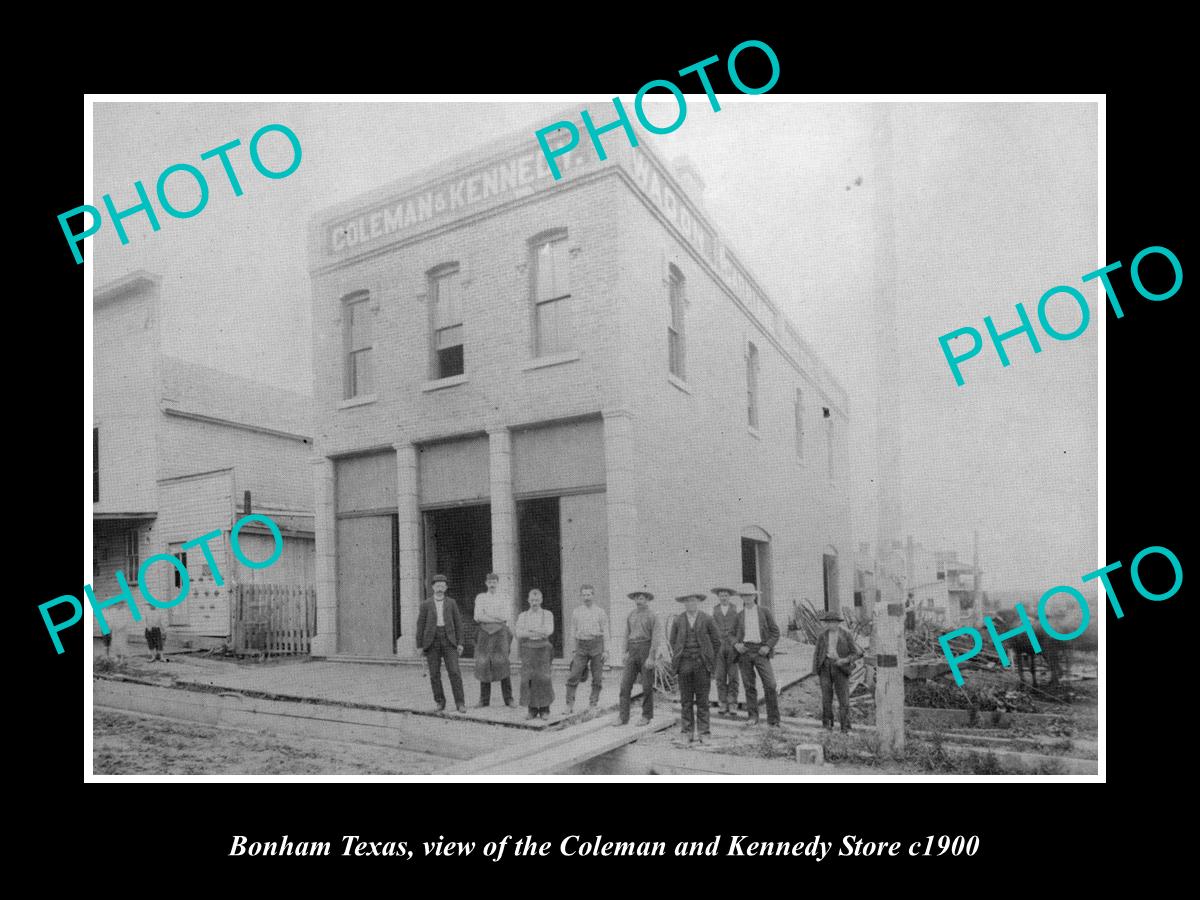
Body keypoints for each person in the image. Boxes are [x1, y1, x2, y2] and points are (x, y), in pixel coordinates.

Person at [669, 593, 723, 744]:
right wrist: (681, 655)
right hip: (684, 664)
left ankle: (704, 733)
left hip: (701, 664)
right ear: (684, 603)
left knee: (702, 700)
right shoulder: (678, 620)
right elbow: (673, 641)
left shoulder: (707, 619)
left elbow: (717, 641)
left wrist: (709, 658)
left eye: (693, 600)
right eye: (687, 601)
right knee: (685, 700)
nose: (690, 603)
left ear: (698, 602)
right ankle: (687, 732)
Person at [415, 574, 466, 713]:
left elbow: (458, 624)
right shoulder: (425, 604)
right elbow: (420, 626)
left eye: (442, 586)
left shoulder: (452, 603)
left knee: (455, 672)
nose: (440, 588)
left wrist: (460, 643)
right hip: (432, 642)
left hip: (449, 640)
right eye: (437, 586)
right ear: (432, 587)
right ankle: (440, 702)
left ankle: (460, 703)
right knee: (434, 674)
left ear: (446, 588)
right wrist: (419, 646)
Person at [733, 582, 781, 727]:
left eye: (750, 595)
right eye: (744, 596)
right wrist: (736, 644)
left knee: (770, 684)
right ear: (742, 597)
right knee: (749, 685)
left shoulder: (764, 612)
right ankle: (753, 716)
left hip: (761, 651)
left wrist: (767, 646)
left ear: (755, 596)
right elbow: (730, 634)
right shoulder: (739, 615)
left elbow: (775, 632)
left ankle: (773, 720)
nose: (748, 598)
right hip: (745, 652)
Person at [613, 588, 662, 727]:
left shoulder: (652, 615)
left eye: (641, 598)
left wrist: (651, 657)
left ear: (647, 600)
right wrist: (624, 652)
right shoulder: (631, 615)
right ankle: (623, 717)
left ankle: (646, 716)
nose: (638, 601)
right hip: (632, 651)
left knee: (646, 686)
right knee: (625, 685)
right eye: (636, 598)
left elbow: (656, 638)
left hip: (646, 649)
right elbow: (626, 635)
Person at [813, 609, 865, 732]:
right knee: (826, 697)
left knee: (843, 699)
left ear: (838, 622)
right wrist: (816, 670)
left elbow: (855, 653)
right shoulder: (822, 635)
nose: (832, 625)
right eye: (829, 622)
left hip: (840, 668)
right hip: (825, 667)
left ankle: (845, 727)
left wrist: (844, 660)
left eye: (834, 622)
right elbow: (817, 653)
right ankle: (827, 725)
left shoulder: (846, 634)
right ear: (826, 623)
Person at [564, 584, 611, 714]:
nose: (586, 597)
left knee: (597, 677)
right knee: (573, 675)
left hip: (596, 645)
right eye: (584, 595)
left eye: (589, 594)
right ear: (581, 596)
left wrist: (606, 650)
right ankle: (569, 705)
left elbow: (606, 631)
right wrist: (573, 649)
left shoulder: (600, 612)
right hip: (581, 646)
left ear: (593, 595)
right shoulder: (577, 611)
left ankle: (593, 704)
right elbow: (573, 631)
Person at [473, 573, 515, 708]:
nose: (492, 584)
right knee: (484, 662)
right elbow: (478, 616)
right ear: (486, 583)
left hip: (500, 633)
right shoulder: (481, 597)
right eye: (489, 582)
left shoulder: (504, 597)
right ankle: (484, 700)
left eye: (494, 582)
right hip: (484, 633)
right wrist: (496, 618)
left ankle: (509, 699)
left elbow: (505, 616)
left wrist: (488, 616)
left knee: (502, 662)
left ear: (498, 583)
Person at [515, 589, 555, 720]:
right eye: (532, 600)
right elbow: (519, 633)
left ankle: (544, 709)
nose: (534, 603)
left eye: (537, 600)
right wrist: (537, 631)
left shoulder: (547, 614)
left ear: (541, 600)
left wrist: (530, 630)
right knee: (529, 678)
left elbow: (549, 631)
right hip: (528, 648)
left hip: (543, 648)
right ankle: (532, 709)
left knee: (544, 678)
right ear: (528, 600)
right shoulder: (523, 616)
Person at [710, 586, 741, 716]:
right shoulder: (714, 610)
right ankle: (723, 703)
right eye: (721, 595)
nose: (723, 598)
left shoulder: (735, 609)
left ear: (729, 597)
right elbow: (711, 629)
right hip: (719, 647)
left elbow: (740, 627)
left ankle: (733, 703)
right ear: (718, 597)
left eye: (726, 595)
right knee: (720, 676)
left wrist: (737, 643)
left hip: (732, 646)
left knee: (733, 676)